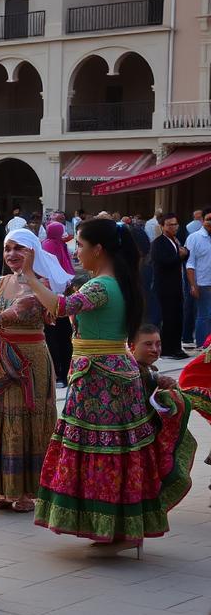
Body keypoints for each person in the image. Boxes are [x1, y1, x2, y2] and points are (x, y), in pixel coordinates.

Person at [18, 219, 195, 556]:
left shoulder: (100, 286)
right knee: (117, 451)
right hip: (110, 373)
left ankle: (114, 528)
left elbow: (59, 307)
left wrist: (29, 276)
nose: (77, 252)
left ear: (98, 250)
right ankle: (119, 527)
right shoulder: (120, 283)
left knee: (103, 450)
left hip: (100, 378)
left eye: (80, 247)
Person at [0, 229, 67, 513]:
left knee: (26, 418)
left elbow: (14, 313)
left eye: (18, 248)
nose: (11, 254)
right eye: (7, 248)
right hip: (0, 355)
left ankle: (26, 490)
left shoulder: (41, 286)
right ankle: (1, 486)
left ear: (33, 251)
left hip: (30, 360)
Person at [41, 221, 77, 383]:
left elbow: (42, 272)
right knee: (64, 337)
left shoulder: (45, 245)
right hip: (63, 297)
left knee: (51, 337)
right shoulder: (61, 246)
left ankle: (56, 373)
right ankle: (65, 373)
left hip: (48, 298)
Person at [154, 213, 191, 359]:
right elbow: (163, 262)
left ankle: (176, 347)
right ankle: (169, 349)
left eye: (175, 224)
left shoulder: (175, 240)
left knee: (178, 317)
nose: (173, 227)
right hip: (166, 287)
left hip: (177, 286)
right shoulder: (159, 243)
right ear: (162, 226)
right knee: (169, 319)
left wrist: (185, 254)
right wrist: (180, 256)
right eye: (169, 224)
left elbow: (180, 256)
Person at [186, 207, 211, 348]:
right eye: (208, 219)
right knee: (204, 316)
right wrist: (193, 284)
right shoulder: (194, 237)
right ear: (202, 220)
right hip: (202, 283)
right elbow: (190, 263)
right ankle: (202, 346)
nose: (210, 222)